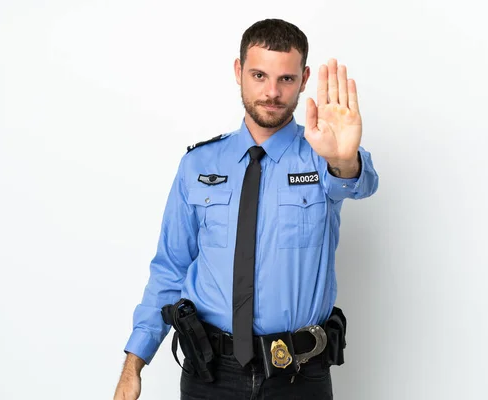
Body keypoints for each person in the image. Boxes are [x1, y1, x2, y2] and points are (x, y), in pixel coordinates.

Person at [114, 18, 379, 400]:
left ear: (304, 79)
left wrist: (345, 159)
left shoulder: (325, 154)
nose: (272, 92)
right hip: (210, 374)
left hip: (297, 375)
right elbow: (170, 268)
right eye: (259, 75)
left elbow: (361, 183)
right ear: (239, 72)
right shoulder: (198, 165)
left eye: (286, 79)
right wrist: (133, 364)